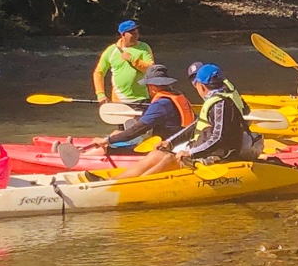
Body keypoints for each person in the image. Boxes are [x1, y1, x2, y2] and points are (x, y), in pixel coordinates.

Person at [111, 63, 260, 179]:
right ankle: (115, 181)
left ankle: (134, 188)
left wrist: (191, 153)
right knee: (157, 154)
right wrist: (170, 142)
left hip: (221, 155)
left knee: (170, 160)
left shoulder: (220, 104)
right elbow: (196, 126)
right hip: (205, 150)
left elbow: (218, 137)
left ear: (201, 86)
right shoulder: (216, 101)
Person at [98, 64, 193, 156]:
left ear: (152, 87)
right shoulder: (179, 96)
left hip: (165, 148)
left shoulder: (161, 104)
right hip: (182, 143)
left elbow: (137, 131)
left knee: (104, 149)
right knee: (121, 136)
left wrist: (108, 139)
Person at [92, 20, 153, 106]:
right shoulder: (111, 50)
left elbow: (151, 70)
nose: (136, 34)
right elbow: (99, 73)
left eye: (136, 31)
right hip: (119, 100)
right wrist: (100, 94)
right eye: (132, 32)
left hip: (142, 98)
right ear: (123, 34)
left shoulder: (144, 47)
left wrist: (132, 59)